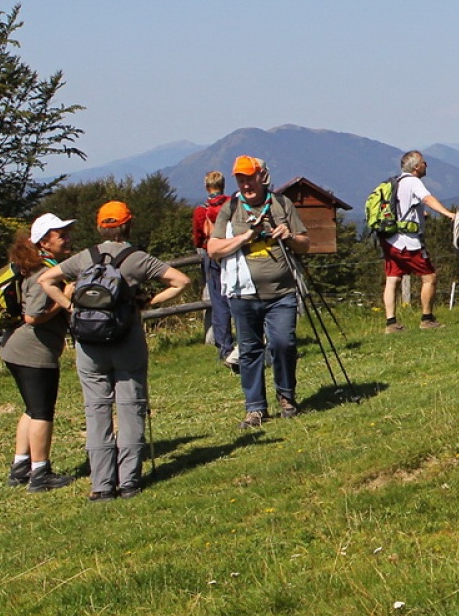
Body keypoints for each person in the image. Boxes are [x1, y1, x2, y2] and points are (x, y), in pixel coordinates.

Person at [40, 202, 190, 500]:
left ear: (99, 227)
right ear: (128, 225)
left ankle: (102, 485)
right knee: (131, 407)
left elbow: (46, 280)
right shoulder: (137, 259)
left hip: (89, 344)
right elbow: (181, 281)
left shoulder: (85, 257)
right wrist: (149, 302)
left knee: (96, 411)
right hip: (127, 339)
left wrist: (71, 307)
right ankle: (129, 482)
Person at [207, 156, 310, 429]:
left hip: (282, 291)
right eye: (240, 179)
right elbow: (213, 249)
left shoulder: (281, 204)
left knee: (283, 343)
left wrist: (288, 236)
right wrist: (245, 238)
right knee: (250, 351)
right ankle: (255, 409)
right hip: (243, 294)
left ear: (261, 176)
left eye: (249, 178)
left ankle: (286, 396)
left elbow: (305, 244)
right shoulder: (230, 208)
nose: (246, 184)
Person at [1, 213, 77, 492]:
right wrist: (65, 299)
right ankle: (40, 473)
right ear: (45, 242)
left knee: (32, 409)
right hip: (34, 352)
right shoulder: (43, 272)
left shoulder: (33, 266)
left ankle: (21, 466)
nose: (67, 239)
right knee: (43, 412)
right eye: (61, 235)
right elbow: (34, 316)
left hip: (16, 349)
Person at [380, 150, 457, 332]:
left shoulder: (396, 182)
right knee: (429, 277)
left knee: (392, 280)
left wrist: (420, 215)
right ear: (416, 167)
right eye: (423, 162)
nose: (426, 165)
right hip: (409, 242)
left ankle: (391, 323)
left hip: (390, 239)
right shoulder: (414, 182)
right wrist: (448, 213)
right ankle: (427, 318)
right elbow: (427, 199)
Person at [192, 170, 237, 368]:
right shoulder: (233, 204)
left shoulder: (201, 210)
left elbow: (198, 238)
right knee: (238, 298)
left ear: (206, 186)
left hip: (212, 257)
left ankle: (224, 347)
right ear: (223, 185)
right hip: (234, 253)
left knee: (219, 303)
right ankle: (247, 342)